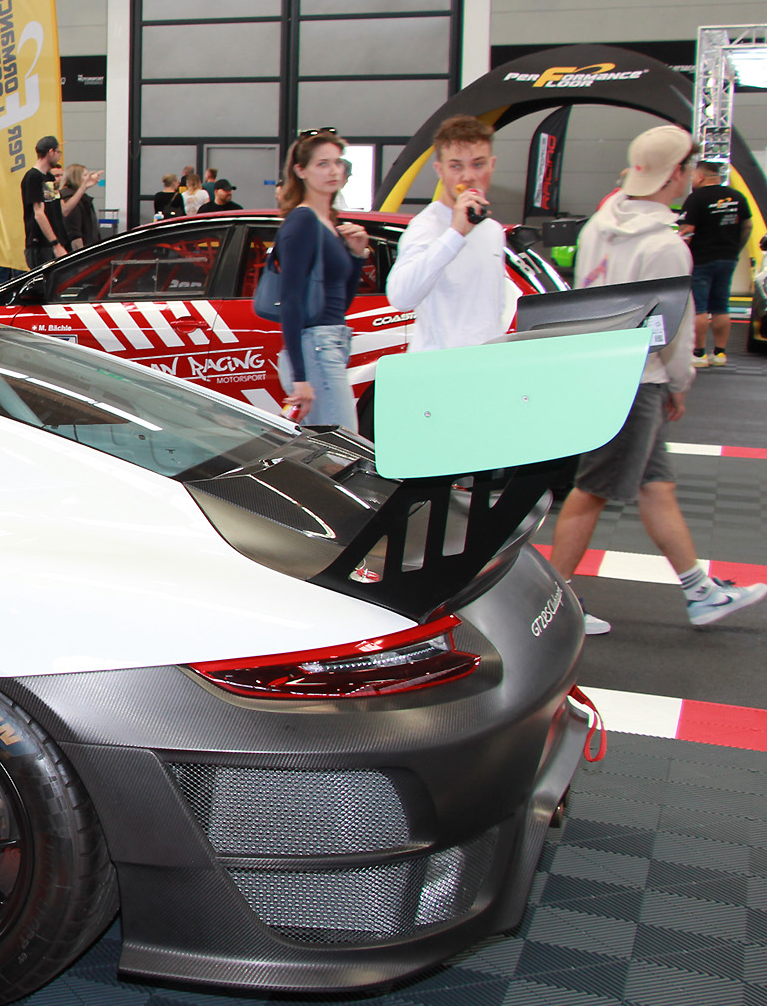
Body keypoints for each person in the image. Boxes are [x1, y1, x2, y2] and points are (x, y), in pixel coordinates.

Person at [548, 125, 766, 633]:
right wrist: (679, 383)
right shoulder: (665, 246)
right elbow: (674, 330)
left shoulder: (598, 226)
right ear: (675, 175)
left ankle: (700, 591)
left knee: (656, 485)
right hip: (637, 379)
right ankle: (554, 602)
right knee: (591, 490)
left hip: (603, 368)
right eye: (688, 167)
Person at [387, 115, 516, 353]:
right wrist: (455, 233)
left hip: (484, 363)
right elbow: (401, 297)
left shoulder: (493, 230)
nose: (468, 176)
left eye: (478, 164)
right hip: (440, 366)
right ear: (440, 170)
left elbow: (493, 310)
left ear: (492, 165)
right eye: (456, 166)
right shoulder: (426, 227)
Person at [277, 130, 370, 431]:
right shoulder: (303, 221)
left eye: (338, 162)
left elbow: (340, 301)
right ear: (300, 170)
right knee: (342, 442)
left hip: (332, 342)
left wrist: (357, 255)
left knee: (331, 442)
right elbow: (290, 299)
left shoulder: (327, 222)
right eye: (322, 164)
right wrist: (300, 378)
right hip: (315, 348)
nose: (333, 171)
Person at [678, 161, 753, 367]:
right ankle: (719, 353)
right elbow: (748, 226)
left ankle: (699, 353)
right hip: (728, 258)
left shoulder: (696, 198)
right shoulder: (738, 197)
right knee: (721, 306)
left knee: (699, 308)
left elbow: (686, 231)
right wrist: (735, 249)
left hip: (701, 259)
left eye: (694, 176)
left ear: (700, 177)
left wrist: (681, 256)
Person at [22, 136, 70, 270]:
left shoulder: (49, 177)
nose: (59, 156)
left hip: (55, 241)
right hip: (41, 244)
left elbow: (58, 206)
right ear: (51, 152)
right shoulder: (33, 177)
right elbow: (38, 213)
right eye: (58, 152)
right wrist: (55, 243)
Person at [59, 164, 101, 250]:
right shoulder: (71, 199)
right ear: (76, 177)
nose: (88, 178)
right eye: (85, 175)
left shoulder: (80, 198)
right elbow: (74, 233)